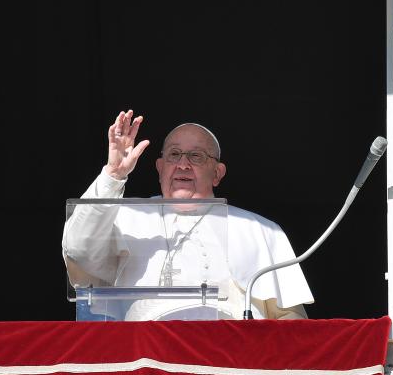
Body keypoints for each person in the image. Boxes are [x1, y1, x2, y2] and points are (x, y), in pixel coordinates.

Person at [62, 110, 314, 320]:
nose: (183, 164)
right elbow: (78, 250)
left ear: (217, 173)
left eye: (196, 156)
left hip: (234, 355)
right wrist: (113, 175)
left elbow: (288, 318)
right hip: (147, 356)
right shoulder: (125, 216)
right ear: (160, 169)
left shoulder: (260, 230)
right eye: (173, 154)